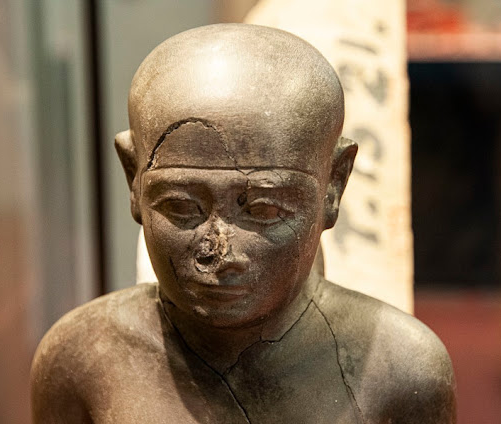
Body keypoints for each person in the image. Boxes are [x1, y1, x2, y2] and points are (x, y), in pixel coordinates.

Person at [31, 24, 455, 423]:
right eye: (181, 207)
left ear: (334, 185)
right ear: (134, 178)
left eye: (264, 210)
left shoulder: (402, 370)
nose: (220, 252)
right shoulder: (82, 359)